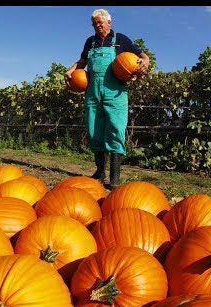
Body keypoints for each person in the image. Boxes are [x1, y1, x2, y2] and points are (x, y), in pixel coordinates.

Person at [65, 8, 150, 190]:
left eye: (100, 22)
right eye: (94, 23)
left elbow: (142, 56)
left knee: (115, 129)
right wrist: (71, 70)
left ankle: (115, 177)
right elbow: (82, 62)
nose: (97, 26)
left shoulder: (121, 40)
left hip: (115, 92)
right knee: (94, 129)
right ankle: (100, 171)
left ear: (109, 23)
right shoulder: (90, 42)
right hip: (93, 92)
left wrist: (146, 62)